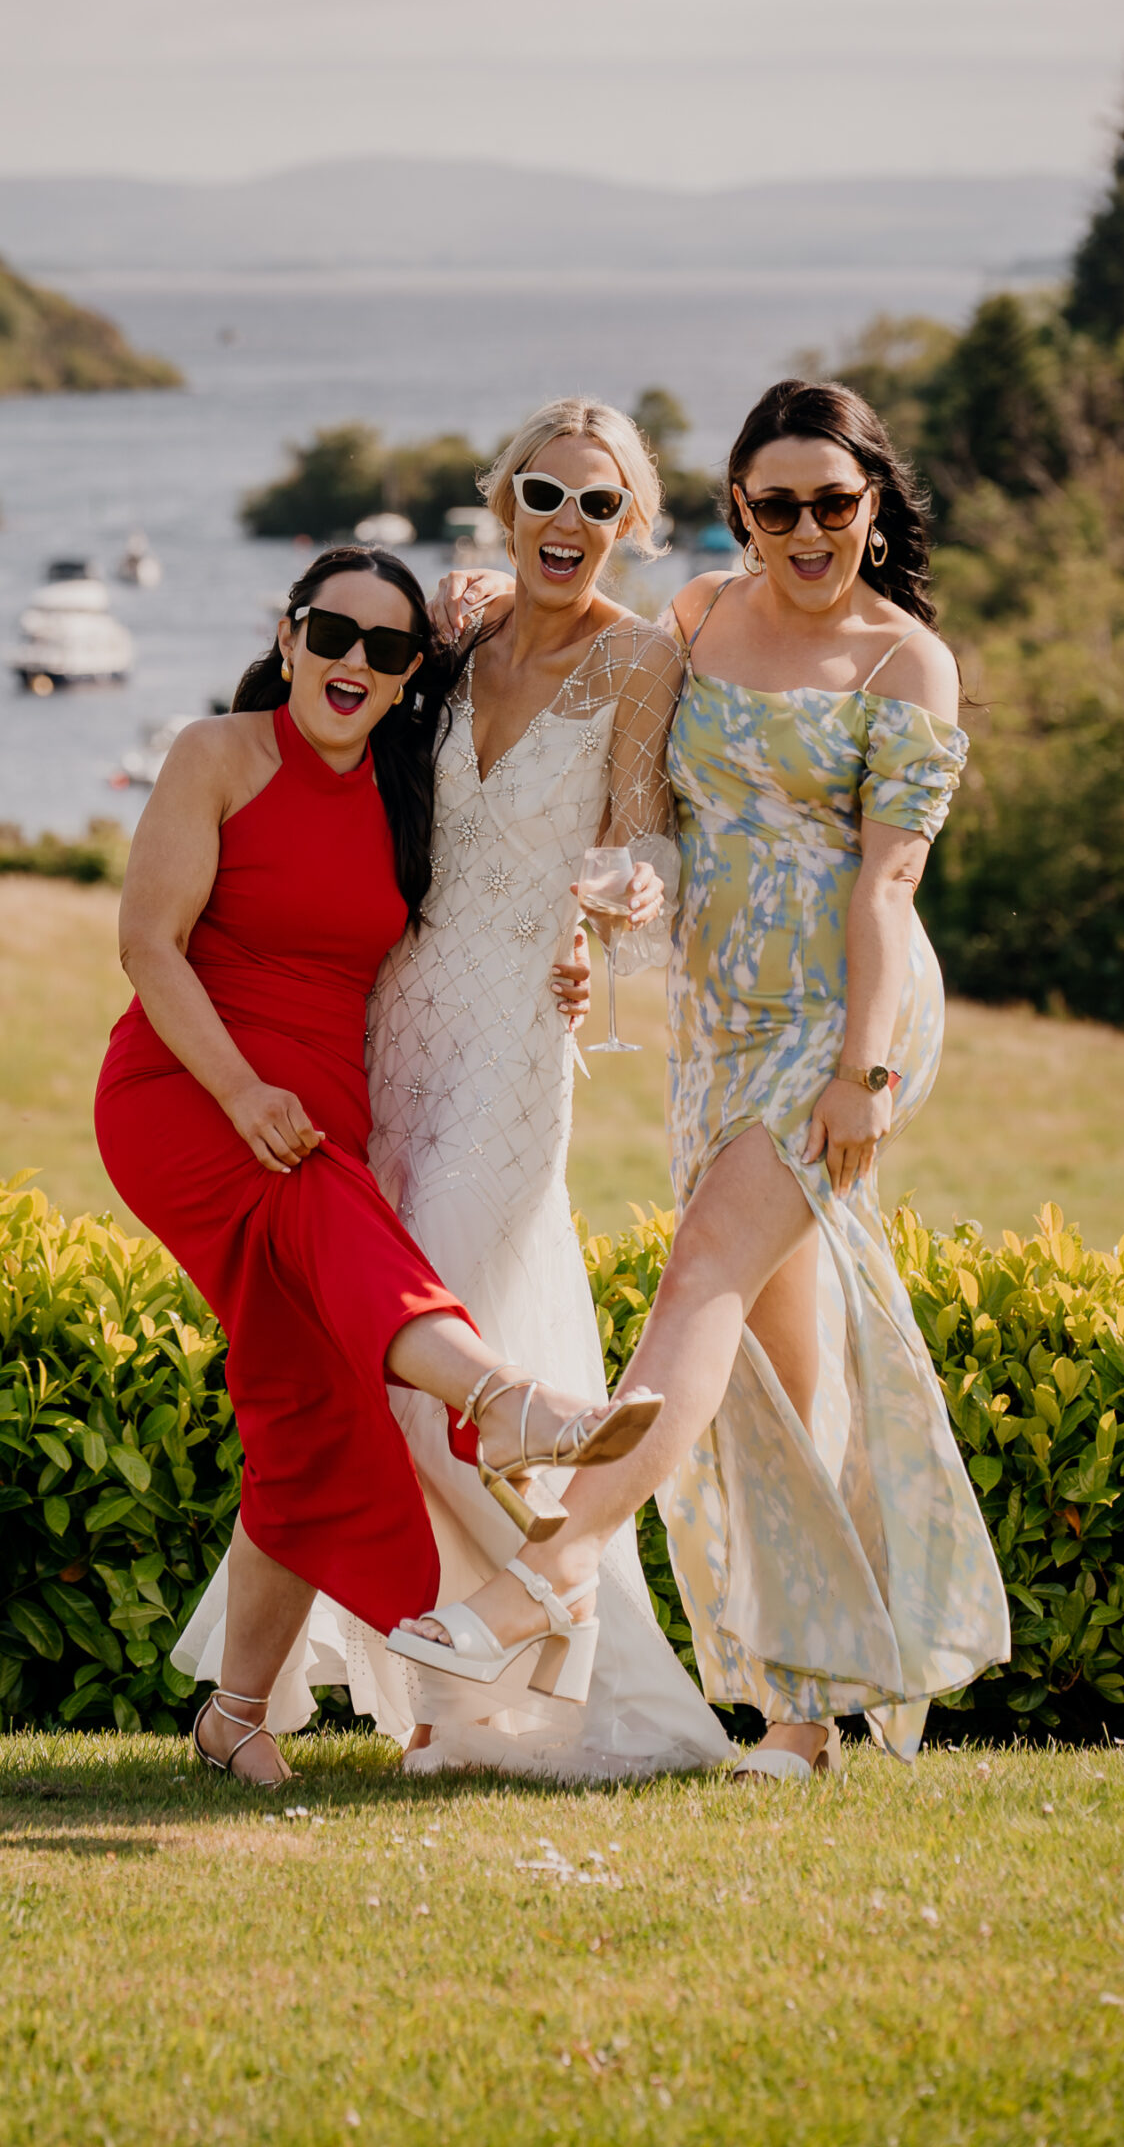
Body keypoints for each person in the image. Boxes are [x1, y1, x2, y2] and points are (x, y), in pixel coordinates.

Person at [391, 382, 1011, 1775]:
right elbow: (630, 809)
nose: (804, 529)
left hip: (843, 1019)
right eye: (774, 503)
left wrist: (861, 1069)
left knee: (694, 1285)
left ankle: (533, 1587)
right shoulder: (691, 622)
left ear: (869, 505)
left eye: (830, 502)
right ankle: (806, 1713)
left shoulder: (901, 662)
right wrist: (480, 595)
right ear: (737, 507)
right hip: (716, 1021)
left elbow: (886, 888)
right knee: (779, 1365)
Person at [96, 545, 663, 1785]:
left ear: (414, 677)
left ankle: (235, 1714)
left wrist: (567, 955)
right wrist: (242, 1089)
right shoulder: (216, 755)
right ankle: (498, 1399)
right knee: (324, 1229)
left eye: (390, 649)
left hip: (324, 1119)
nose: (356, 662)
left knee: (313, 1407)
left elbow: (505, 884)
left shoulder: (408, 785)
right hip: (194, 1091)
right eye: (332, 634)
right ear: (289, 637)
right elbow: (147, 944)